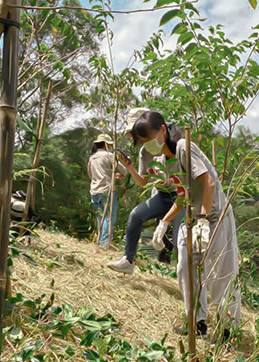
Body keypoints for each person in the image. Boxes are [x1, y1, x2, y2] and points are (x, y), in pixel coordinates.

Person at [126, 110, 241, 337]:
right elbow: (182, 196)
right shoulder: (163, 162)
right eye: (144, 143)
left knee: (220, 273)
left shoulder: (183, 148)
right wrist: (164, 223)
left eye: (150, 139)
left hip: (214, 215)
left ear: (163, 130)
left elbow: (207, 183)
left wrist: (203, 220)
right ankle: (197, 324)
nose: (148, 146)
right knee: (185, 267)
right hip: (193, 216)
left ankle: (230, 330)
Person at [107, 108, 184, 274]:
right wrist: (130, 167)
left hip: (182, 197)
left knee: (180, 239)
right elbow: (143, 182)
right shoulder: (144, 152)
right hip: (163, 196)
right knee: (136, 215)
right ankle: (128, 260)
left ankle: (190, 276)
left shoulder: (178, 146)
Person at [87, 134, 126, 247]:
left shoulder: (92, 158)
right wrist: (118, 175)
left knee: (100, 217)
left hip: (94, 190)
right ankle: (104, 243)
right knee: (109, 217)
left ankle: (100, 241)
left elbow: (91, 175)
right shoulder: (109, 156)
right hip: (107, 190)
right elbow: (124, 171)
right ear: (105, 144)